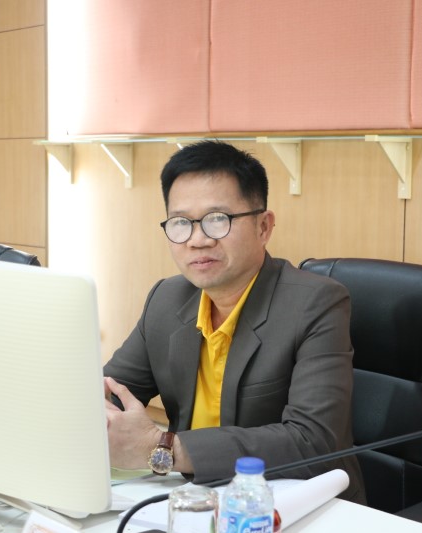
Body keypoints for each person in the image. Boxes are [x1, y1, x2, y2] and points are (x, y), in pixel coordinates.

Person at [102, 140, 365, 503]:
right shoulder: (166, 298)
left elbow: (312, 441)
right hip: (193, 498)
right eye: (181, 223)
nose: (197, 240)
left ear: (263, 226)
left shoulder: (316, 303)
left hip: (293, 506)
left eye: (217, 220)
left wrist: (163, 447)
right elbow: (111, 392)